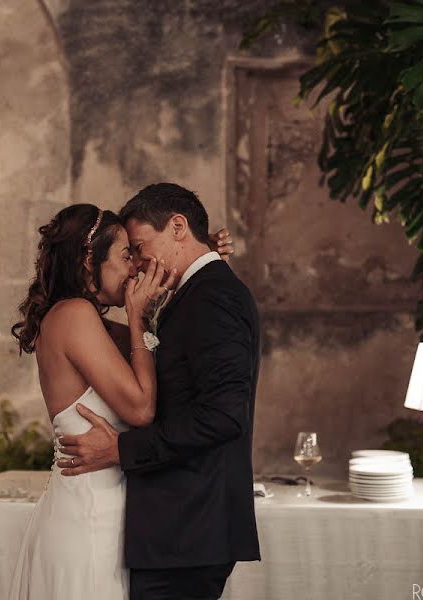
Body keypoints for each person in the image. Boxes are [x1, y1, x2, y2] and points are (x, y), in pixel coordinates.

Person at [6, 202, 234, 600]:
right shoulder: (74, 315)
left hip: (105, 517)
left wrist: (196, 258)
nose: (134, 268)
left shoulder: (88, 321)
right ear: (89, 260)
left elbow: (154, 362)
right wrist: (138, 318)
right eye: (127, 255)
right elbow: (142, 409)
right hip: (88, 521)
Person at [56, 183, 261, 600]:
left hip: (189, 529)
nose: (137, 262)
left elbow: (224, 416)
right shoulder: (196, 295)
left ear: (178, 227)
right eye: (128, 253)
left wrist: (122, 450)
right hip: (177, 533)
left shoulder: (213, 298)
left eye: (140, 246)